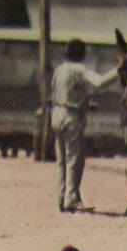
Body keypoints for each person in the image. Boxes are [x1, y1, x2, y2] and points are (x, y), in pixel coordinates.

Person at [49, 39, 119, 213]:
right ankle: (71, 200)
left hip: (56, 113)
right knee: (74, 159)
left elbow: (63, 92)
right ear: (81, 54)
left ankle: (62, 197)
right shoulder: (79, 69)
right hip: (71, 117)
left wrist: (85, 104)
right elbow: (100, 83)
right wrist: (118, 70)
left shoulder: (59, 69)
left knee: (62, 161)